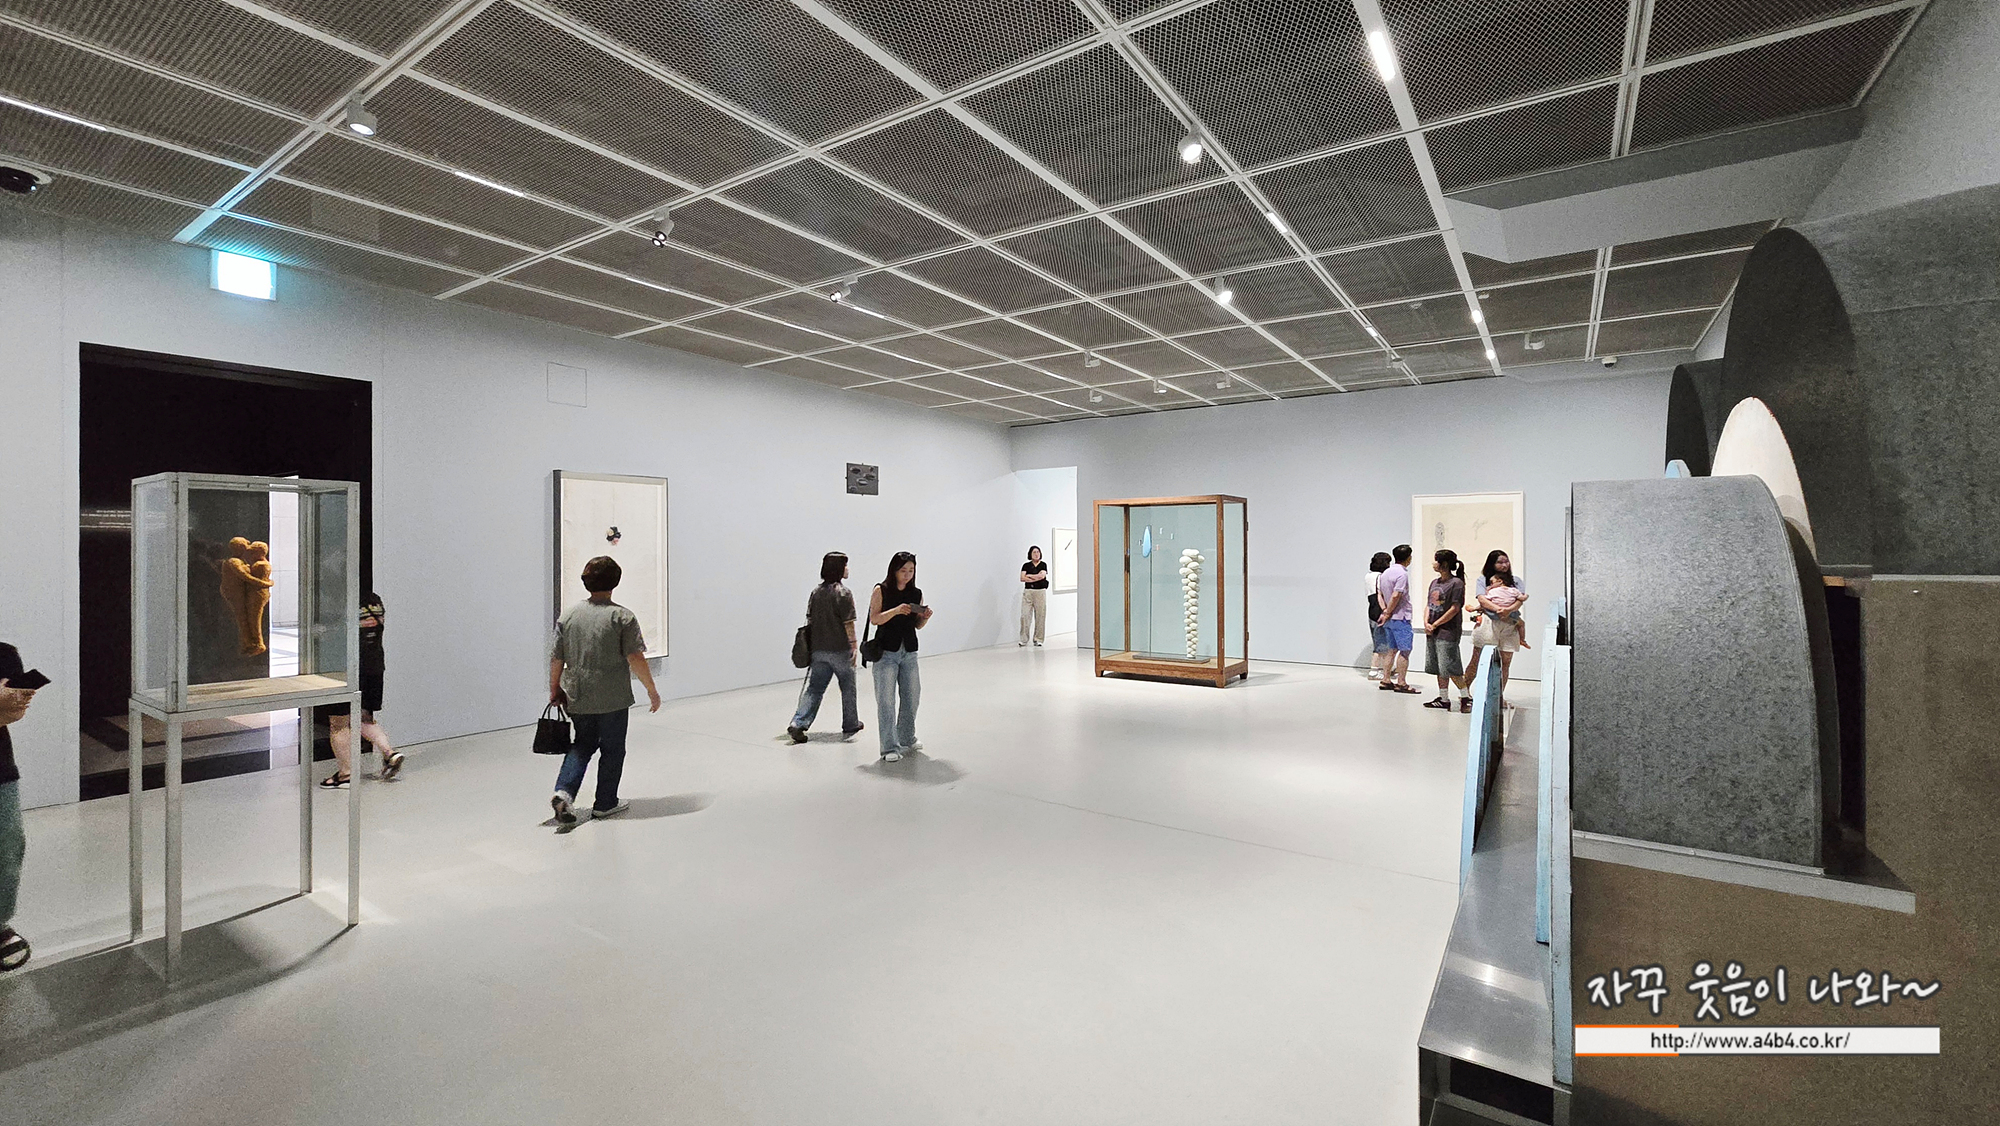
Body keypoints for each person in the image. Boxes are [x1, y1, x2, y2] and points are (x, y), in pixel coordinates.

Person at [548, 556, 661, 824]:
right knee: (612, 749)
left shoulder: (569, 616)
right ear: (615, 582)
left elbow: (556, 658)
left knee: (582, 745)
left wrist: (555, 689)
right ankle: (605, 803)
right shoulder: (622, 617)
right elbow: (635, 657)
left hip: (578, 694)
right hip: (613, 697)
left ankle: (564, 793)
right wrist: (651, 690)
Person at [319, 592, 404, 788]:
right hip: (375, 667)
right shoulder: (374, 600)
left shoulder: (342, 600)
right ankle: (389, 753)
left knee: (339, 723)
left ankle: (346, 774)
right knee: (363, 717)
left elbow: (334, 632)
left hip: (347, 668)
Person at [788, 552, 865, 744]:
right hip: (840, 649)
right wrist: (854, 646)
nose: (847, 569)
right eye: (845, 565)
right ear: (839, 569)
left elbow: (810, 619)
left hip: (818, 649)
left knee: (814, 688)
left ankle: (798, 722)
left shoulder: (816, 592)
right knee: (847, 687)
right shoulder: (844, 593)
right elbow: (848, 623)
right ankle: (850, 723)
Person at [867, 551, 931, 763]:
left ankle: (906, 736)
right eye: (903, 570)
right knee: (886, 701)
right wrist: (895, 611)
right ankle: (889, 747)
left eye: (911, 570)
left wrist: (924, 617)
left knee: (912, 696)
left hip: (909, 651)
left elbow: (917, 625)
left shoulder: (916, 593)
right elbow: (875, 619)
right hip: (886, 652)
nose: (907, 574)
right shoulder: (881, 590)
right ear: (894, 570)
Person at [1, 642, 37, 972]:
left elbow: (14, 711)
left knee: (8, 846)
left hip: (0, 770)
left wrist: (12, 700)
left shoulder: (5, 654)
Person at [1470, 550, 1531, 701]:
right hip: (1489, 622)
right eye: (1500, 562)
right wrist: (1498, 609)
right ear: (1492, 564)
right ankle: (1465, 693)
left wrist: (1507, 610)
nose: (1504, 565)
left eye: (1506, 561)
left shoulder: (1516, 581)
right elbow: (1482, 599)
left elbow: (1520, 600)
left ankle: (1498, 697)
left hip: (1510, 623)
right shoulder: (1484, 580)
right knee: (1477, 659)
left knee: (1506, 661)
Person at [1421, 550, 1472, 712]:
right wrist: (1426, 623)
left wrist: (1435, 624)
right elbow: (1429, 605)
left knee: (1450, 666)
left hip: (1448, 631)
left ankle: (1466, 697)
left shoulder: (1456, 583)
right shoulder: (1434, 583)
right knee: (1439, 667)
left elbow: (1455, 608)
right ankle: (1443, 698)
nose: (1433, 564)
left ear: (1444, 564)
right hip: (1433, 631)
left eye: (1436, 561)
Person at [1375, 545, 1419, 694]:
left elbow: (1380, 595)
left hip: (1389, 619)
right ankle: (1401, 682)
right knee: (1405, 651)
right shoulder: (1402, 574)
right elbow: (1396, 595)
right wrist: (1389, 612)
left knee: (1391, 650)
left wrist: (1385, 611)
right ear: (1409, 558)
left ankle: (1386, 679)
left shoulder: (1385, 573)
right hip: (1401, 617)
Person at [1365, 551, 1392, 679]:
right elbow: (1381, 594)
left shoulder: (1368, 576)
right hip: (1379, 610)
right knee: (1381, 643)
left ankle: (1383, 668)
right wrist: (1386, 610)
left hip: (1371, 608)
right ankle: (1374, 670)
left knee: (1378, 640)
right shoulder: (1380, 577)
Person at [1018, 546, 1050, 647]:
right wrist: (1035, 577)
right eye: (1034, 552)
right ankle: (1023, 639)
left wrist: (1029, 576)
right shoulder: (1026, 565)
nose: (1036, 554)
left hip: (1040, 592)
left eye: (1038, 552)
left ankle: (1038, 639)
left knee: (1040, 615)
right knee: (1025, 615)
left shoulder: (1043, 565)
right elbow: (1022, 578)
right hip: (1028, 592)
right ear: (1030, 554)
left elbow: (1042, 576)